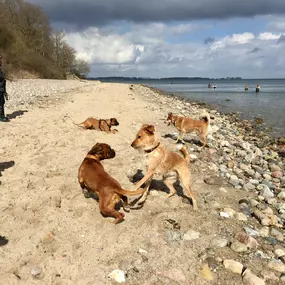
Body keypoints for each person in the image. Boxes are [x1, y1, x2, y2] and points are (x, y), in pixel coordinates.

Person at [0, 56, 9, 122]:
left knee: (2, 102)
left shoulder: (0, 71)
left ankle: (2, 115)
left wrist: (5, 91)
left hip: (1, 89)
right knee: (1, 103)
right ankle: (1, 116)